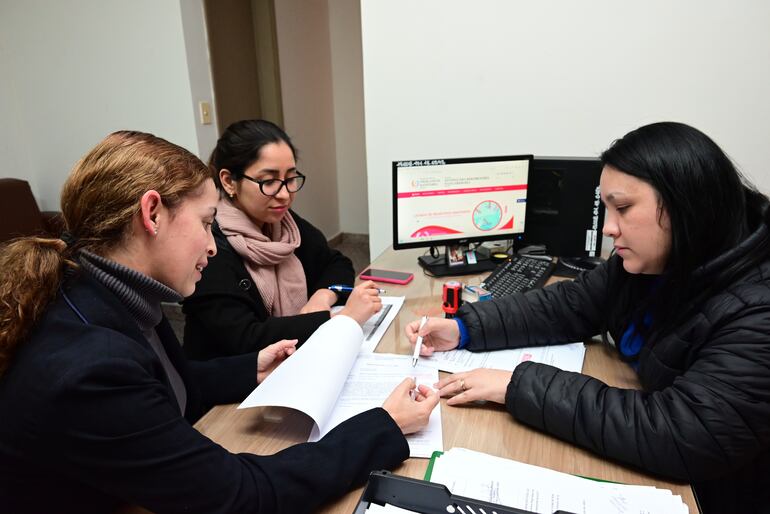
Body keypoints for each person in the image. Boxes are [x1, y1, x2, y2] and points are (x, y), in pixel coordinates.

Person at [0, 131, 439, 514]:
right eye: (208, 224)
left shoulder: (101, 293)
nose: (213, 247)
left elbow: (161, 380)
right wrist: (384, 424)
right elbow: (243, 498)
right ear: (152, 213)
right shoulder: (91, 366)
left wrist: (252, 369)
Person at [406, 122, 770, 514]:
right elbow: (570, 304)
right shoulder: (656, 259)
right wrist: (463, 327)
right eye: (608, 209)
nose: (609, 228)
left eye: (624, 208)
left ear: (687, 205)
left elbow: (681, 434)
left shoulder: (757, 309)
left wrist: (515, 386)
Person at [183, 119, 379, 360]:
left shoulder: (283, 223)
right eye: (269, 182)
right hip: (231, 385)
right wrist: (339, 320)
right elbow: (245, 338)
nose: (285, 194)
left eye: (290, 179)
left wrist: (322, 296)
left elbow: (336, 263)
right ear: (228, 181)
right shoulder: (210, 244)